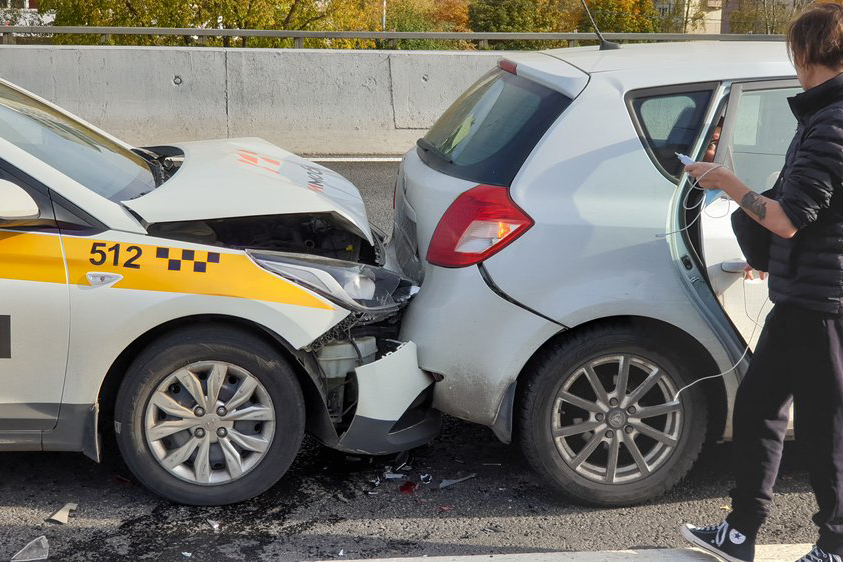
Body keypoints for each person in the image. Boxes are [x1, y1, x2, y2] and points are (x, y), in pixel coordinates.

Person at [680, 4, 843, 562]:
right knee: (757, 409)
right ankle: (741, 530)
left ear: (806, 53)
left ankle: (835, 544)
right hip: (802, 295)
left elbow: (789, 217)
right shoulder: (823, 117)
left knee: (824, 430)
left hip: (822, 304)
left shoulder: (833, 122)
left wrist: (726, 182)